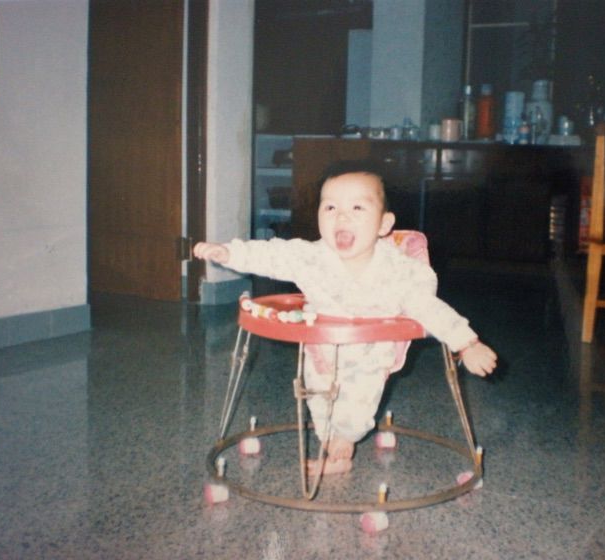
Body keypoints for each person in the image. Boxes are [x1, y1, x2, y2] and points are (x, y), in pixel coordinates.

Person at [194, 159, 497, 475]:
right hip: (321, 350)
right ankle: (335, 451)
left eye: (357, 208)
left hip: (370, 355)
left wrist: (467, 343)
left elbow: (429, 308)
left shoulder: (398, 272)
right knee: (318, 401)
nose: (341, 216)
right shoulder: (312, 257)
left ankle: (345, 441)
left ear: (383, 224)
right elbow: (271, 254)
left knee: (354, 413)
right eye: (330, 207)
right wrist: (228, 253)